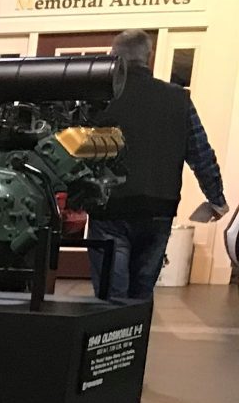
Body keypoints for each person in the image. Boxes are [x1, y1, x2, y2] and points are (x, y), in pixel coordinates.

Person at [89, 30, 227, 301]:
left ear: (114, 56)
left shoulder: (100, 99)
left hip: (110, 209)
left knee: (112, 297)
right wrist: (216, 199)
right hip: (159, 209)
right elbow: (201, 153)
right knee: (141, 293)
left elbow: (75, 149)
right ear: (148, 57)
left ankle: (113, 328)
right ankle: (138, 328)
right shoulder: (178, 99)